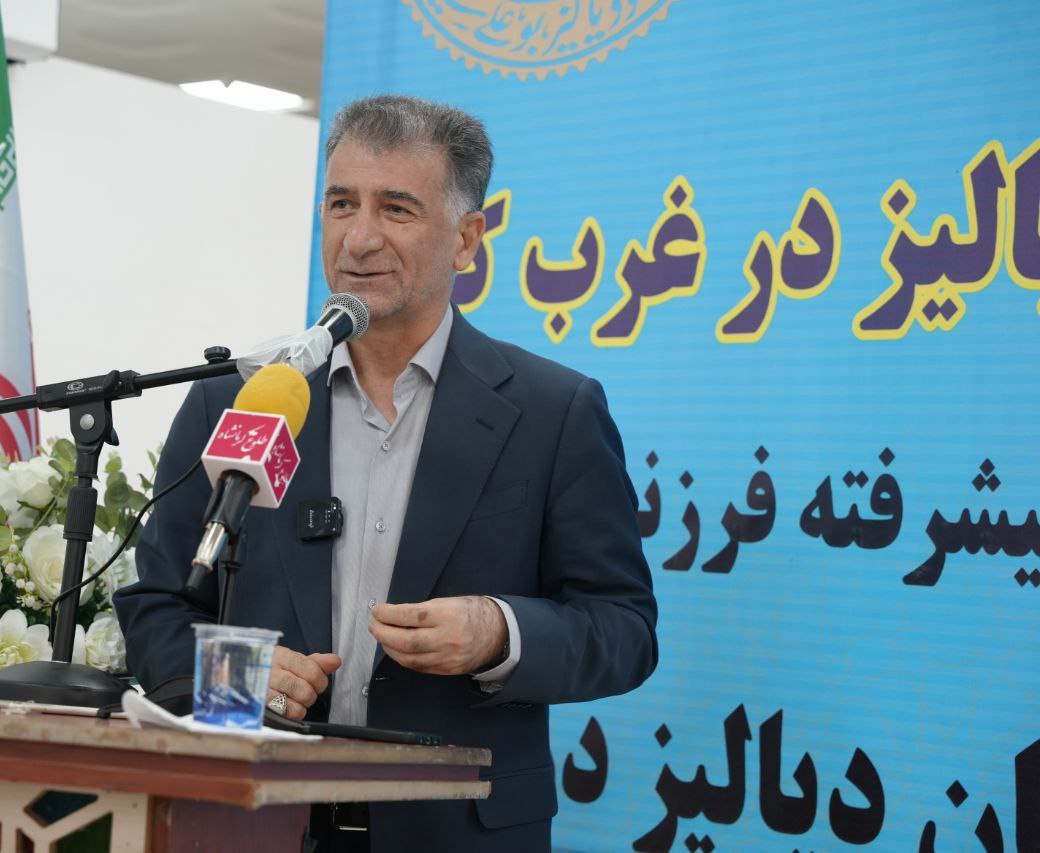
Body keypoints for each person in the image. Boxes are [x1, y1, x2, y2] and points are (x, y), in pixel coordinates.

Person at [115, 95, 657, 852]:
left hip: (457, 833)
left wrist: (499, 632)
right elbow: (158, 604)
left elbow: (624, 628)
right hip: (250, 824)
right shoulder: (239, 398)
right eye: (342, 204)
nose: (359, 238)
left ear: (466, 238)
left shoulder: (552, 411)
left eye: (396, 208)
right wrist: (238, 678)